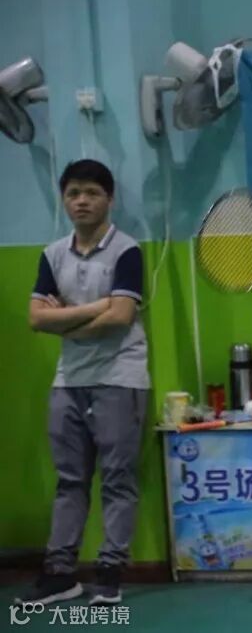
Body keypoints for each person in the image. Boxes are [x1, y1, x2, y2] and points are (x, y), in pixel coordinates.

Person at [17, 160, 150, 607]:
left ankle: (110, 572)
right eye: (73, 193)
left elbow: (121, 317)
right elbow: (36, 318)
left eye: (92, 193)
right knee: (70, 480)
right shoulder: (52, 254)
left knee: (117, 478)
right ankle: (60, 574)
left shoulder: (127, 251)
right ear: (64, 200)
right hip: (68, 381)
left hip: (119, 377)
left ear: (109, 199)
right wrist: (94, 309)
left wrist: (65, 321)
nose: (82, 201)